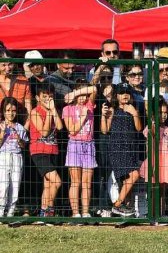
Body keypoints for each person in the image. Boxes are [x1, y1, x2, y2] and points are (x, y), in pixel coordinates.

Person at [102, 83, 144, 217]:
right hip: (117, 148)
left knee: (127, 180)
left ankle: (124, 208)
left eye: (127, 92)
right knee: (134, 175)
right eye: (121, 93)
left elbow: (139, 129)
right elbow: (104, 130)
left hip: (130, 148)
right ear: (117, 96)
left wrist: (135, 114)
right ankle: (117, 205)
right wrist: (104, 116)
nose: (125, 95)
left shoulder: (133, 108)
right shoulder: (113, 109)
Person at [62, 81, 97, 218]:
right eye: (80, 94)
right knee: (75, 181)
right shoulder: (67, 109)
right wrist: (82, 117)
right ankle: (76, 212)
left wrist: (75, 92)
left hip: (89, 144)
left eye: (85, 94)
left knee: (87, 182)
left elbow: (94, 88)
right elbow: (72, 130)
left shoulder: (89, 105)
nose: (83, 97)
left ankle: (86, 211)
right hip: (74, 144)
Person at [140, 100, 168, 216]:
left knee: (163, 190)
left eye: (165, 112)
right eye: (160, 112)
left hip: (166, 162)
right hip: (154, 161)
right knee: (153, 190)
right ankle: (152, 215)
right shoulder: (150, 128)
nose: (164, 115)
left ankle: (161, 214)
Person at [29, 83, 63, 217]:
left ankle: (44, 212)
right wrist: (49, 113)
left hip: (52, 150)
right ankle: (48, 211)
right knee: (57, 181)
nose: (48, 99)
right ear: (38, 98)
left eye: (50, 96)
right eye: (44, 96)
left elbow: (60, 127)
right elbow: (43, 132)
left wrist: (53, 111)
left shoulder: (52, 110)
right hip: (39, 151)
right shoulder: (35, 112)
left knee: (48, 184)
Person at [0, 97, 27, 216]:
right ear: (3, 111)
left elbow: (23, 145)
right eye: (8, 110)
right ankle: (1, 210)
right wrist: (2, 133)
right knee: (3, 185)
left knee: (15, 184)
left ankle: (11, 211)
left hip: (17, 156)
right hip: (4, 156)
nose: (11, 113)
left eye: (13, 111)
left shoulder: (20, 127)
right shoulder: (1, 126)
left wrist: (19, 138)